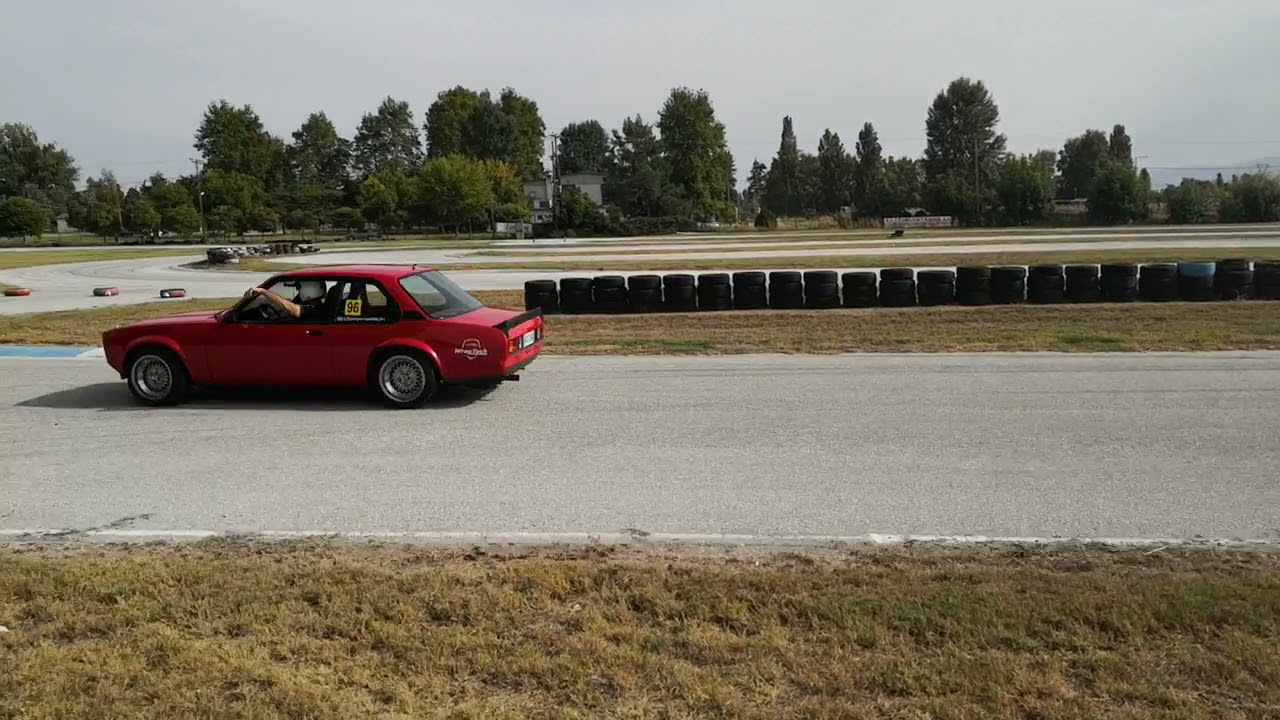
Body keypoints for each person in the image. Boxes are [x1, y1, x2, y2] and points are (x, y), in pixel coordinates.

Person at [243, 279, 328, 320]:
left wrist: (263, 291)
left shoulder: (315, 309)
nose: (298, 290)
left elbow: (291, 309)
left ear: (310, 289)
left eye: (299, 288)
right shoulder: (317, 305)